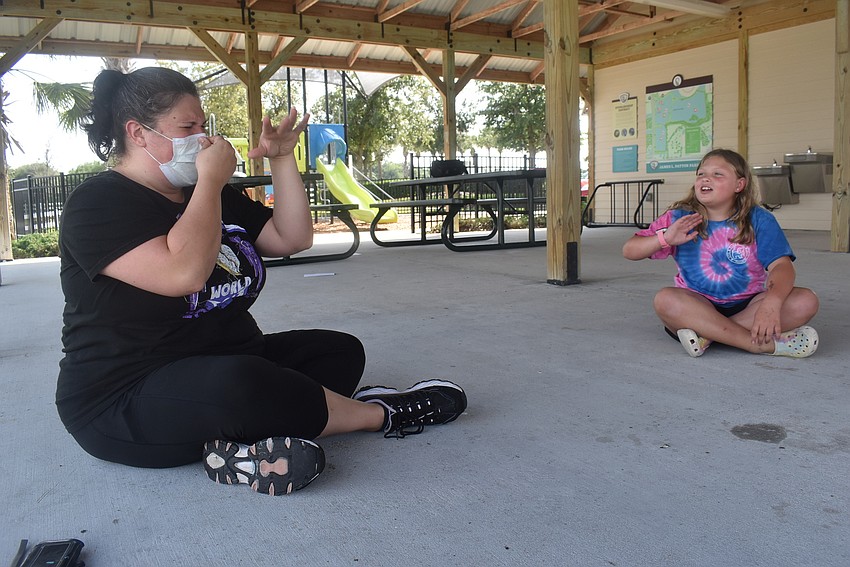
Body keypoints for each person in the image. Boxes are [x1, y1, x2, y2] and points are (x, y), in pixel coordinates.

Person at [57, 67, 467, 496]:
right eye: (188, 127)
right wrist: (212, 181)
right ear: (138, 134)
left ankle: (240, 451)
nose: (204, 138)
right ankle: (378, 414)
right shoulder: (98, 203)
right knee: (244, 385)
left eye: (204, 126)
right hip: (123, 397)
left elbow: (291, 237)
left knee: (338, 352)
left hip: (227, 359)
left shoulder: (209, 194)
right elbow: (183, 273)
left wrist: (282, 157)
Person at [622, 148, 819, 358]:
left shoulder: (759, 219)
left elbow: (781, 266)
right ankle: (758, 344)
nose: (706, 178)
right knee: (665, 300)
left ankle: (707, 334)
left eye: (718, 174)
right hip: (696, 303)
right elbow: (630, 250)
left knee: (805, 301)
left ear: (739, 184)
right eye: (701, 174)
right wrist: (665, 239)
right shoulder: (679, 218)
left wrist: (772, 303)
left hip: (749, 305)